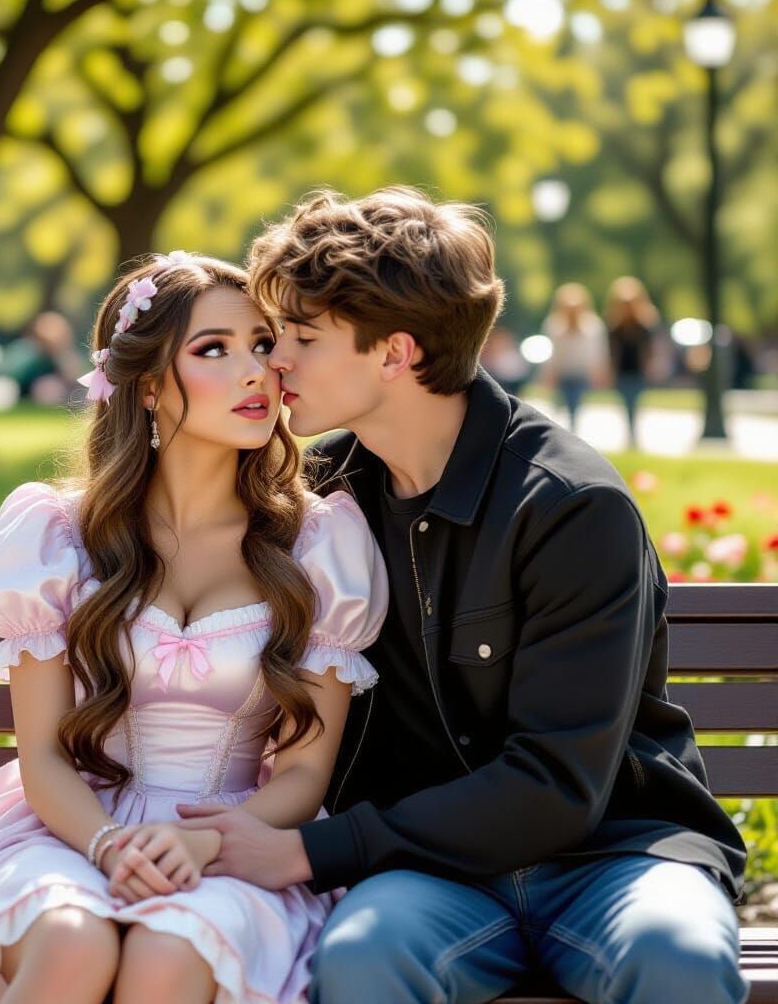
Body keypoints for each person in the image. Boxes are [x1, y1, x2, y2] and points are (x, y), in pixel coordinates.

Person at [171, 189, 748, 1004]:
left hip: (613, 856)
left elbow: (556, 785)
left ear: (395, 354)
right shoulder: (321, 499)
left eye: (302, 337)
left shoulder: (569, 506)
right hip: (426, 878)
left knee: (677, 956)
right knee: (365, 957)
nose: (276, 361)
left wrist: (310, 851)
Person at [0, 253, 389, 1004]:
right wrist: (106, 845)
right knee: (71, 941)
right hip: (71, 828)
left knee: (170, 953)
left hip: (236, 840)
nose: (255, 372)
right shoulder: (59, 535)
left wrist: (203, 843)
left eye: (264, 345)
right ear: (146, 386)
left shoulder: (318, 544)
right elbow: (42, 757)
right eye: (214, 350)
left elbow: (302, 774)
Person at [542, 282, 609, 432]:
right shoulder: (554, 324)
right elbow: (552, 352)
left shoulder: (592, 325)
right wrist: (549, 373)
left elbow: (598, 352)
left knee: (575, 404)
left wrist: (600, 372)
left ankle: (572, 430)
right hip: (563, 371)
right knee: (560, 404)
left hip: (581, 372)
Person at [605, 276, 661, 448]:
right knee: (626, 403)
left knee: (634, 402)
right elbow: (612, 352)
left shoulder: (644, 325)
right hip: (622, 371)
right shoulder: (614, 326)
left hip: (638, 371)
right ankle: (630, 435)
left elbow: (649, 351)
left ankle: (633, 434)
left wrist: (651, 368)